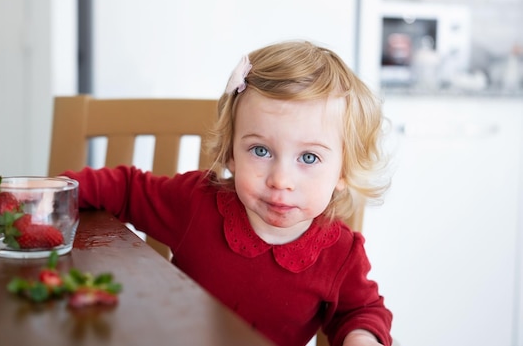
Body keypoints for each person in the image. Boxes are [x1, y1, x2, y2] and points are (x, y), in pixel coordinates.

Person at [60, 40, 393, 346]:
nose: (281, 180)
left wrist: (361, 337)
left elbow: (360, 311)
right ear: (232, 152)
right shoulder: (195, 203)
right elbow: (128, 190)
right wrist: (52, 194)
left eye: (309, 158)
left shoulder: (341, 254)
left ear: (343, 172)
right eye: (261, 151)